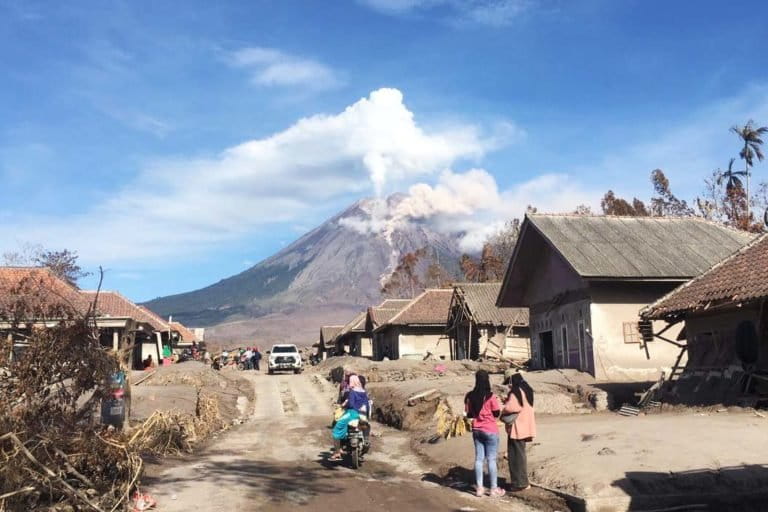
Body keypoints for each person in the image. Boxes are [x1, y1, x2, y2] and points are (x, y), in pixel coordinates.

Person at [465, 370, 505, 498]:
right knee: (491, 459)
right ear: (487, 380)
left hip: (477, 430)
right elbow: (496, 413)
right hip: (490, 430)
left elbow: (469, 414)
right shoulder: (491, 396)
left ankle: (479, 488)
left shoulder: (469, 396)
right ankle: (493, 489)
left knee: (479, 459)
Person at [502, 371, 536, 492]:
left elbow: (512, 407)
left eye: (508, 382)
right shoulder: (527, 388)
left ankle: (520, 484)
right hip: (526, 425)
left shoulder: (516, 391)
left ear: (512, 379)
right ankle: (523, 482)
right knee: (520, 454)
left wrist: (504, 406)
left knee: (516, 456)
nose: (508, 385)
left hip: (518, 427)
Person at [329, 375, 369, 461]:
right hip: (362, 415)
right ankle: (364, 442)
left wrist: (345, 405)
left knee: (337, 428)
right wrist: (366, 416)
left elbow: (351, 404)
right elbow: (367, 405)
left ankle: (337, 452)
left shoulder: (352, 392)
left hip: (352, 414)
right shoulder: (363, 392)